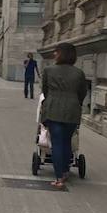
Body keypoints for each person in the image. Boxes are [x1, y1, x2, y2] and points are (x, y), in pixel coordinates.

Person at [41, 43, 87, 190]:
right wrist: (75, 102)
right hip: (72, 110)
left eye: (56, 52)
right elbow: (82, 92)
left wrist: (50, 100)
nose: (54, 54)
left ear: (61, 54)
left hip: (53, 109)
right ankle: (66, 170)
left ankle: (59, 177)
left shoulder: (48, 70)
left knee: (57, 143)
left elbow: (45, 90)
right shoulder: (79, 73)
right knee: (67, 141)